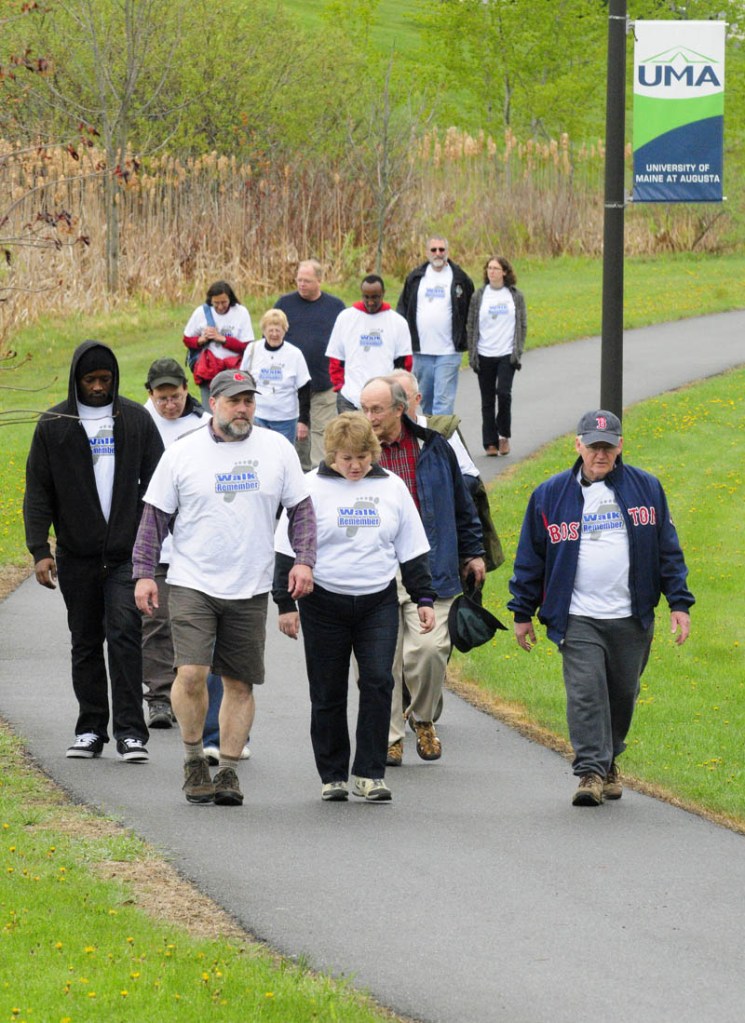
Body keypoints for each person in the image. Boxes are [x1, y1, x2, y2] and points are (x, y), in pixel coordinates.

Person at [133, 369, 316, 807]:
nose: (242, 409)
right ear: (213, 402)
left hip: (249, 584)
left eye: (249, 401)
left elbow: (302, 512)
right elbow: (154, 517)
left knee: (239, 683)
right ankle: (195, 758)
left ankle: (229, 770)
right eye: (234, 400)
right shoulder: (183, 452)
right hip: (192, 580)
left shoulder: (277, 449)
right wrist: (143, 572)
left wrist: (304, 561)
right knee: (192, 673)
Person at [508, 409, 694, 807]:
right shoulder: (550, 496)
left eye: (608, 447)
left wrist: (679, 603)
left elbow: (668, 551)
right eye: (593, 446)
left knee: (622, 695)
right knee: (586, 692)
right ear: (578, 445)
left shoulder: (646, 489)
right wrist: (522, 612)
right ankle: (591, 771)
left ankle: (609, 761)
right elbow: (531, 557)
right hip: (577, 617)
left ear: (620, 446)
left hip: (632, 615)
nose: (600, 454)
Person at [273, 413, 436, 802]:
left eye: (363, 456)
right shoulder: (307, 489)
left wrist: (424, 598)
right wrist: (285, 603)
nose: (355, 465)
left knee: (379, 681)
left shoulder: (391, 488)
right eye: (346, 458)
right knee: (327, 690)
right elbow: (285, 550)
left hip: (377, 601)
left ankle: (369, 772)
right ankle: (333, 775)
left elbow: (412, 548)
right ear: (330, 454)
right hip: (323, 601)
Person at [24, 341, 164, 761]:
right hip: (76, 554)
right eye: (91, 380)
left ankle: (130, 733)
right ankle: (90, 729)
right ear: (77, 380)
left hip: (125, 555)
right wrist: (38, 549)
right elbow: (38, 491)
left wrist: (147, 541)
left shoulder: (135, 420)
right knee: (85, 641)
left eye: (105, 379)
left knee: (124, 636)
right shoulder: (56, 424)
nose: (99, 387)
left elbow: (159, 484)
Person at [360, 376, 486, 766]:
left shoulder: (433, 448)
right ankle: (391, 736)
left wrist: (473, 552)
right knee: (384, 662)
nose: (369, 417)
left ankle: (423, 716)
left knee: (428, 652)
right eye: (363, 409)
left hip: (430, 569)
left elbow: (462, 505)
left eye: (376, 409)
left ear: (401, 409)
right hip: (376, 571)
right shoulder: (355, 453)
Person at [142, 358, 207, 728]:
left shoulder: (202, 426)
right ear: (150, 395)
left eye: (177, 396)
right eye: (162, 398)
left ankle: (191, 694)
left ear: (187, 389)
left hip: (193, 540)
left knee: (193, 625)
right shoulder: (138, 421)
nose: (170, 404)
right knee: (155, 619)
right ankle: (159, 697)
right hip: (154, 538)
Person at [275, 260, 345, 470]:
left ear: (319, 281)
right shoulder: (284, 305)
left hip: (324, 384)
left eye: (307, 281)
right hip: (292, 388)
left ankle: (320, 475)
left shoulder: (336, 307)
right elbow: (270, 338)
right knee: (299, 438)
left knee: (323, 434)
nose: (302, 284)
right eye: (299, 280)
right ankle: (299, 477)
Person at [396, 235, 474, 416]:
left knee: (443, 402)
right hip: (421, 351)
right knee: (426, 402)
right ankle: (431, 438)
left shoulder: (460, 278)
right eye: (434, 250)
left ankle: (440, 442)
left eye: (441, 249)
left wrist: (467, 339)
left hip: (448, 351)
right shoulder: (415, 278)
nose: (438, 253)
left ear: (447, 251)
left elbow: (471, 310)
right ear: (427, 252)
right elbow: (402, 309)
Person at [466, 255, 527, 457]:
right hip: (484, 353)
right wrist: (472, 353)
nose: (492, 272)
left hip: (506, 354)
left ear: (505, 272)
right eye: (489, 268)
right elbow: (471, 325)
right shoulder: (479, 296)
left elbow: (522, 324)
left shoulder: (515, 296)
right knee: (487, 400)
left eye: (496, 268)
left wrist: (517, 350)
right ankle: (489, 442)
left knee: (504, 393)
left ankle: (504, 436)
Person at [325, 275, 412, 412]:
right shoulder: (345, 318)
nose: (370, 302)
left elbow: (404, 364)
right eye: (366, 297)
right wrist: (340, 386)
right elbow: (336, 358)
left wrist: (394, 393)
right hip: (350, 399)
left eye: (375, 297)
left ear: (383, 294)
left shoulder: (398, 322)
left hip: (384, 401)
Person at [239, 308, 311, 445]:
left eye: (278, 330)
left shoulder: (294, 354)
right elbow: (243, 380)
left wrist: (303, 421)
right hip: (258, 415)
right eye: (270, 330)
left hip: (285, 419)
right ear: (263, 331)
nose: (274, 334)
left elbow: (304, 388)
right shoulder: (252, 349)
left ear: (285, 331)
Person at [183, 280, 254, 409]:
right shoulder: (201, 312)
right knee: (211, 409)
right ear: (210, 300)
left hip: (233, 370)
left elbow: (247, 347)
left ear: (230, 299)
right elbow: (187, 339)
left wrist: (222, 339)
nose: (220, 307)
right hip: (209, 370)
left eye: (224, 302)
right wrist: (202, 339)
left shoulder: (241, 312)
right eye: (216, 303)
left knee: (233, 407)